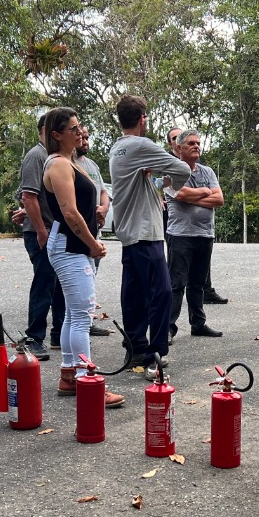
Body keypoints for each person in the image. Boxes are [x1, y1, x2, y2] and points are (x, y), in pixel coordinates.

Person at [42, 107, 124, 407]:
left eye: (80, 128)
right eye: (73, 129)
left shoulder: (71, 162)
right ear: (57, 135)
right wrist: (92, 244)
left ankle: (69, 374)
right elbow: (69, 213)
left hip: (71, 245)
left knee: (74, 315)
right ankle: (87, 380)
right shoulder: (60, 165)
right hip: (70, 245)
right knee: (81, 317)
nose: (79, 133)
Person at [108, 95, 190, 375]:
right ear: (142, 118)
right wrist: (172, 183)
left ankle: (135, 348)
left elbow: (146, 181)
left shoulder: (117, 149)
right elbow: (182, 169)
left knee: (135, 294)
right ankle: (155, 353)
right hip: (146, 231)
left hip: (130, 232)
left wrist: (157, 180)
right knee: (162, 293)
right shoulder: (141, 145)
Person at [166, 129, 224, 340]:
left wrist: (193, 197)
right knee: (176, 284)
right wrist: (205, 192)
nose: (196, 146)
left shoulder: (207, 172)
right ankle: (168, 328)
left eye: (198, 143)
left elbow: (219, 199)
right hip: (180, 235)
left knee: (198, 283)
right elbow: (179, 194)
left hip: (204, 235)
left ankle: (198, 324)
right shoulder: (171, 172)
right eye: (191, 143)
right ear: (179, 148)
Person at [18, 115, 65, 360]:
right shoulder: (36, 156)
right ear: (47, 130)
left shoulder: (53, 157)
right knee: (44, 282)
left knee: (59, 284)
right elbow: (28, 196)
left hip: (54, 230)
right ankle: (33, 337)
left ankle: (59, 333)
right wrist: (41, 231)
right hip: (41, 231)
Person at [74, 124, 114, 339]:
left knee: (91, 277)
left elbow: (104, 191)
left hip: (94, 230)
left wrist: (104, 208)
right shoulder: (66, 163)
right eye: (82, 136)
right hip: (77, 233)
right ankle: (71, 326)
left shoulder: (92, 165)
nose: (85, 141)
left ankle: (87, 323)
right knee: (76, 282)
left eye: (88, 137)